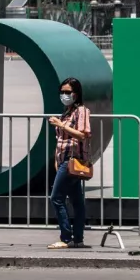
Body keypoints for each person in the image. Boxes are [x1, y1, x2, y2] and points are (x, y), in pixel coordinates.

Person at [47, 77, 91, 249]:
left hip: (73, 160)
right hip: (64, 160)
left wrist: (61, 125)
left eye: (68, 92)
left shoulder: (82, 111)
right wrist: (56, 160)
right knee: (76, 201)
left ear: (76, 93)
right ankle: (78, 239)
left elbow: (83, 134)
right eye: (62, 92)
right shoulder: (66, 112)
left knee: (56, 198)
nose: (64, 95)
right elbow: (60, 140)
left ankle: (66, 237)